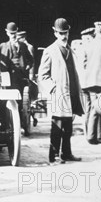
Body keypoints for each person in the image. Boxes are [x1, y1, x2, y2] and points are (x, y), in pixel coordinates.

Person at [38, 18, 85, 164]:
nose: (63, 36)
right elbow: (42, 75)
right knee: (57, 126)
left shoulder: (70, 50)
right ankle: (54, 156)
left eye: (65, 32)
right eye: (60, 33)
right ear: (55, 33)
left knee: (68, 126)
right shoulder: (50, 50)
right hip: (58, 94)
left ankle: (66, 153)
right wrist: (53, 88)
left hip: (71, 93)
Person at [78, 27, 95, 137]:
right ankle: (91, 133)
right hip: (89, 82)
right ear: (88, 38)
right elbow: (86, 66)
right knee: (92, 108)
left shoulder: (80, 48)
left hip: (83, 83)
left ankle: (87, 131)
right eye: (91, 37)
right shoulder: (88, 49)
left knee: (88, 108)